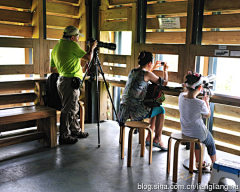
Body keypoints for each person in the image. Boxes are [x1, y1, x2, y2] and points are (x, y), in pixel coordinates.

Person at [50, 25, 97, 144]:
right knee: (68, 109)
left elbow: (52, 68)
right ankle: (64, 136)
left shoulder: (56, 47)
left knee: (73, 106)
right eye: (77, 37)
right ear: (71, 37)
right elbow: (88, 58)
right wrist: (92, 48)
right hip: (70, 82)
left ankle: (75, 130)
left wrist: (65, 69)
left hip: (61, 81)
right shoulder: (72, 45)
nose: (78, 39)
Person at [119, 51, 169, 150]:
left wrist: (152, 68)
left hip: (123, 110)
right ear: (149, 63)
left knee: (154, 107)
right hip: (135, 111)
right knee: (161, 110)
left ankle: (149, 137)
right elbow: (165, 82)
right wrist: (165, 70)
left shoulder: (132, 71)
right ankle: (157, 139)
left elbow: (145, 74)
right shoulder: (147, 74)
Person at [178, 71, 217, 169]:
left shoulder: (181, 96)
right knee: (210, 143)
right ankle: (215, 166)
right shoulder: (200, 103)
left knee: (197, 142)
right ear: (200, 88)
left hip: (185, 131)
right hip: (198, 133)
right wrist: (206, 102)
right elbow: (207, 115)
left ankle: (199, 163)